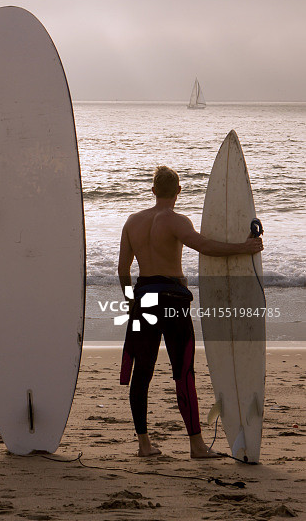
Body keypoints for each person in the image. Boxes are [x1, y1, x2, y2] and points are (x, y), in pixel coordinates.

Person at [117, 165, 263, 459]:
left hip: (143, 300)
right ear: (179, 191)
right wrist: (243, 248)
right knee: (183, 372)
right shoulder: (177, 220)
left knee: (142, 373)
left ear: (153, 190)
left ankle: (144, 445)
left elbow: (123, 269)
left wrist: (131, 300)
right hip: (173, 302)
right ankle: (196, 446)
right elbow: (204, 246)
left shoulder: (132, 222)